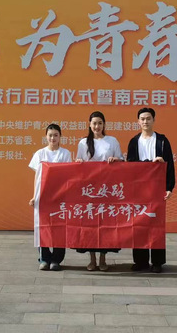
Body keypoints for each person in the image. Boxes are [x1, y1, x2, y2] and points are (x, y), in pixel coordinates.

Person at [126, 107, 175, 273]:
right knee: (139, 224)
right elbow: (130, 165)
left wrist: (169, 187)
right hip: (139, 189)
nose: (145, 121)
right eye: (142, 119)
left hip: (157, 188)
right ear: (138, 122)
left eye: (148, 118)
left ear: (154, 120)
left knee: (155, 225)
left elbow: (170, 164)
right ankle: (140, 261)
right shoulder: (134, 141)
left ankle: (157, 262)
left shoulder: (162, 141)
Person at [75, 110, 123, 271]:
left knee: (105, 224)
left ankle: (103, 258)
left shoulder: (112, 141)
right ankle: (92, 259)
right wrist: (79, 162)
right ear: (90, 125)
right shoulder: (83, 143)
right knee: (90, 224)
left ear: (104, 125)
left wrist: (115, 159)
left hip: (107, 189)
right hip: (89, 189)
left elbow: (122, 160)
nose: (97, 126)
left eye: (100, 123)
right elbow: (78, 163)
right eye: (94, 123)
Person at [29, 123, 72, 271]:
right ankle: (44, 259)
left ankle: (56, 260)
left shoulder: (65, 154)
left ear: (60, 137)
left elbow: (68, 177)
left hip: (60, 196)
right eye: (50, 135)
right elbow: (37, 177)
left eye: (55, 135)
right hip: (43, 197)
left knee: (59, 228)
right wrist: (34, 196)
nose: (53, 138)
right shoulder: (40, 154)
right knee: (43, 227)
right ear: (46, 137)